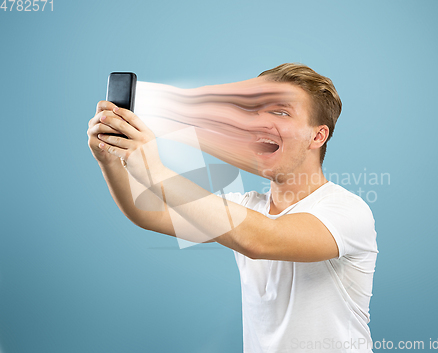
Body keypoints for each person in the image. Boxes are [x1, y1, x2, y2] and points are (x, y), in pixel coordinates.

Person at [87, 63, 378, 352]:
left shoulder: (347, 211)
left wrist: (156, 171)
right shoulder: (247, 208)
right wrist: (110, 160)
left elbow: (261, 239)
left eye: (280, 112)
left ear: (318, 136)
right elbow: (148, 213)